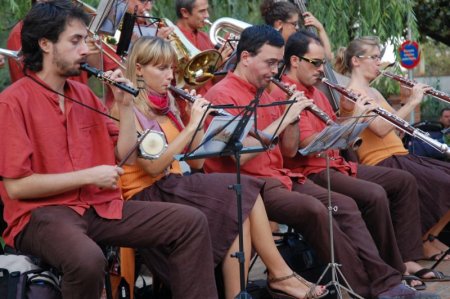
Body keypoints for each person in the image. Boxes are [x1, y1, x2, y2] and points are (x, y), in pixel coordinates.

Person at [0, 2, 219, 298]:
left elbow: (124, 152)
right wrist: (88, 175)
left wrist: (125, 106)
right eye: (75, 41)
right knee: (87, 259)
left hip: (98, 207)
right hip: (41, 215)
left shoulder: (84, 94)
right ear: (45, 44)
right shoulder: (13, 102)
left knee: (190, 222)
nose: (86, 50)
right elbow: (16, 187)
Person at [203, 24, 438, 299]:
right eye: (269, 63)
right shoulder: (221, 95)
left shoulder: (265, 92)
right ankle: (367, 287)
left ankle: (386, 282)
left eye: (277, 63)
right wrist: (284, 119)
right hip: (249, 185)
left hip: (281, 178)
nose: (273, 71)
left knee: (346, 205)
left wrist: (295, 116)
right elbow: (239, 155)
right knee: (319, 209)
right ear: (245, 58)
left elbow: (288, 149)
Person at [114, 36, 327, 299]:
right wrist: (191, 126)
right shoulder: (126, 107)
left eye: (171, 68)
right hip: (146, 192)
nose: (170, 76)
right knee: (241, 192)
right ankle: (280, 275)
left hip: (172, 183)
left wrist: (197, 120)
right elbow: (153, 166)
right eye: (161, 68)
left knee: (242, 195)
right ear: (138, 69)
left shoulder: (167, 103)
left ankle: (242, 292)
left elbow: (196, 161)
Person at [270, 29, 450, 289]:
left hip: (338, 164)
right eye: (317, 63)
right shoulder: (285, 92)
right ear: (295, 61)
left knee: (401, 181)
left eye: (324, 63)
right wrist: (358, 119)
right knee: (375, 194)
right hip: (313, 170)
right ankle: (391, 270)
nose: (322, 69)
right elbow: (307, 145)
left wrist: (346, 112)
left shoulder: (316, 92)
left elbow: (335, 129)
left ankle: (403, 261)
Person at [335, 35, 450, 263]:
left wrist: (405, 98)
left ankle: (428, 237)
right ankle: (423, 240)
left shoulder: (375, 92)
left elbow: (394, 132)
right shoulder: (351, 94)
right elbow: (378, 128)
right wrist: (412, 103)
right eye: (375, 57)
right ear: (356, 61)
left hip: (400, 155)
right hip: (382, 161)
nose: (379, 63)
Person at [260, 0, 333, 60]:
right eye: (294, 24)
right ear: (279, 24)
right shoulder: (266, 47)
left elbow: (325, 59)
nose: (297, 27)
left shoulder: (293, 46)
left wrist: (320, 29)